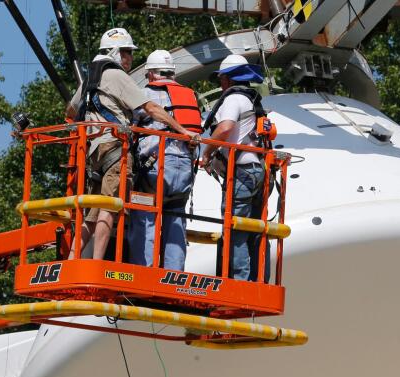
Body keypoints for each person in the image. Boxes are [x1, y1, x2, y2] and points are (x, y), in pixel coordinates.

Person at [65, 28, 198, 260]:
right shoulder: (117, 76)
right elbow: (151, 109)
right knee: (109, 208)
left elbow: (70, 111)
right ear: (115, 52)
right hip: (115, 151)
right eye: (127, 52)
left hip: (93, 153)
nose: (130, 58)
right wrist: (182, 130)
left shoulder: (91, 78)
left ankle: (72, 259)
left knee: (91, 213)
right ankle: (97, 263)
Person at [128, 49, 202, 270]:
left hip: (156, 165)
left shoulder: (146, 95)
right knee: (175, 219)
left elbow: (128, 123)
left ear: (150, 74)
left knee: (144, 216)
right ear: (172, 73)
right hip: (184, 169)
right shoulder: (190, 95)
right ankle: (174, 273)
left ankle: (144, 271)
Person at [199, 54, 271, 281]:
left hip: (241, 172)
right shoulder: (252, 101)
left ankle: (238, 280)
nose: (220, 84)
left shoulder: (233, 99)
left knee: (235, 229)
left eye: (221, 79)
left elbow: (225, 128)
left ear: (229, 79)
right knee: (253, 229)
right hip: (258, 172)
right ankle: (256, 278)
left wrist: (206, 152)